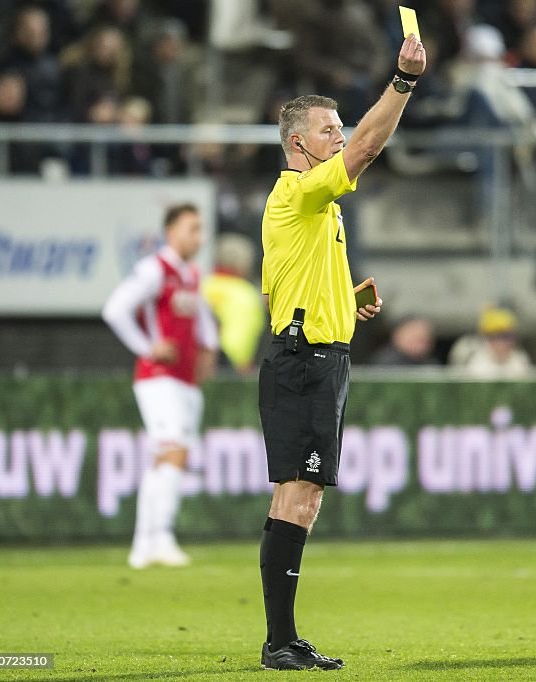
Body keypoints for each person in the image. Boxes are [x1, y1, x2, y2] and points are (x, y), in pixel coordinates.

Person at [256, 33, 426, 671]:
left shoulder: (308, 208)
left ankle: (282, 639)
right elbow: (367, 149)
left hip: (313, 354)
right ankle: (280, 642)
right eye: (328, 129)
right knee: (300, 496)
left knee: (296, 497)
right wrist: (403, 82)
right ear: (300, 144)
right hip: (305, 363)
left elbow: (282, 285)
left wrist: (343, 303)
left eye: (338, 126)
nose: (340, 135)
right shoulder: (300, 192)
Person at [102, 204, 218, 569]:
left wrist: (209, 348)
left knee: (164, 458)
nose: (197, 237)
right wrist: (146, 347)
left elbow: (200, 319)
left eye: (200, 230)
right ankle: (162, 537)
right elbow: (115, 309)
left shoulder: (190, 274)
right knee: (174, 451)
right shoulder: (155, 269)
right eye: (191, 229)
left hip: (184, 379)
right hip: (159, 377)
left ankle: (143, 544)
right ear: (171, 232)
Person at [202, 233, 267, 375]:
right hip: (229, 368)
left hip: (198, 362)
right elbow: (242, 339)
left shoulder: (202, 285)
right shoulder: (247, 295)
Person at [449, 306, 532, 378]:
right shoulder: (476, 363)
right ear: (489, 338)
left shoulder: (520, 361)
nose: (506, 342)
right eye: (500, 337)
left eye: (509, 336)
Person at [370, 315, 439, 366]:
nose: (420, 343)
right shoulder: (384, 363)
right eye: (415, 338)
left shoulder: (431, 364)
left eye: (424, 340)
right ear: (397, 336)